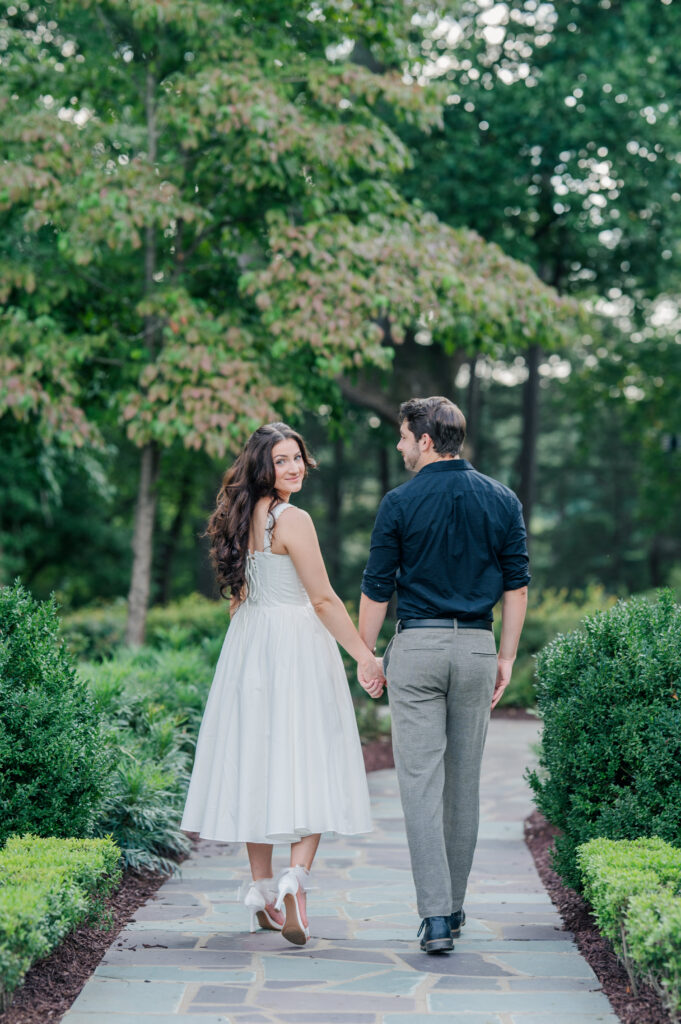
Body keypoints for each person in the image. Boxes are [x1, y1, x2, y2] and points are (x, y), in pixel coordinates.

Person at [181, 422, 384, 946]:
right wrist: (364, 654)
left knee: (256, 762)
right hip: (296, 646)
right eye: (282, 460)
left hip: (250, 647)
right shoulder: (292, 519)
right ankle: (296, 880)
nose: (294, 468)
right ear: (262, 466)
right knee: (312, 757)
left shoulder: (236, 517)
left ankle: (260, 890)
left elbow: (238, 598)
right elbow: (321, 600)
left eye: (298, 457)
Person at [357, 397, 529, 954]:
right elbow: (517, 586)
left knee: (420, 785)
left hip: (418, 648)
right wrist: (505, 657)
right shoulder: (503, 499)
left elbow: (377, 586)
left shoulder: (399, 502)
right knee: (464, 785)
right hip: (478, 645)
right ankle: (453, 907)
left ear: (426, 440)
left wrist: (366, 654)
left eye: (405, 437)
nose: (401, 446)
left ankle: (433, 917)